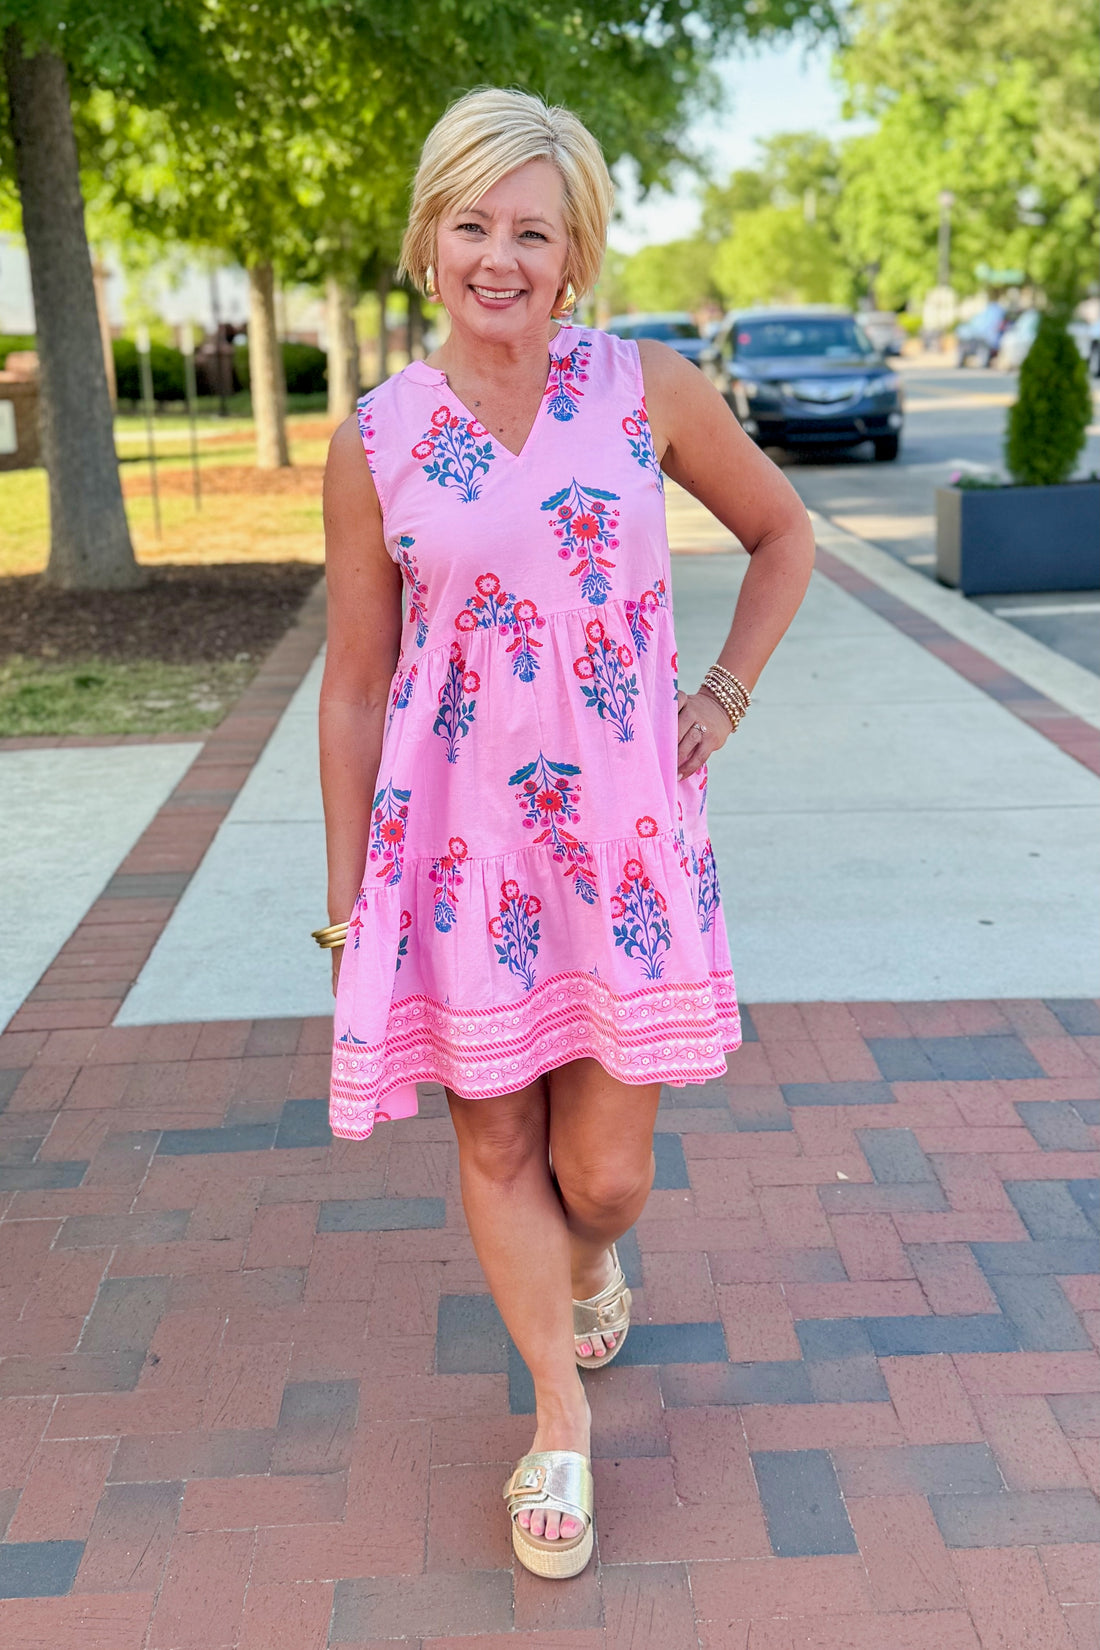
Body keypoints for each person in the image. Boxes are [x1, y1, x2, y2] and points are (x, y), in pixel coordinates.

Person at [318, 87, 815, 1579]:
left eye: (533, 229)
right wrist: (351, 904)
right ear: (427, 239)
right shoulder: (379, 442)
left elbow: (784, 531)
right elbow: (354, 686)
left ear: (576, 251)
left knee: (600, 1172)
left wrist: (721, 693)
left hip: (624, 847)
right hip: (457, 853)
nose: (499, 254)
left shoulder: (642, 389)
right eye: (473, 221)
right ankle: (556, 1417)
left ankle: (592, 1259)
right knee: (496, 1132)